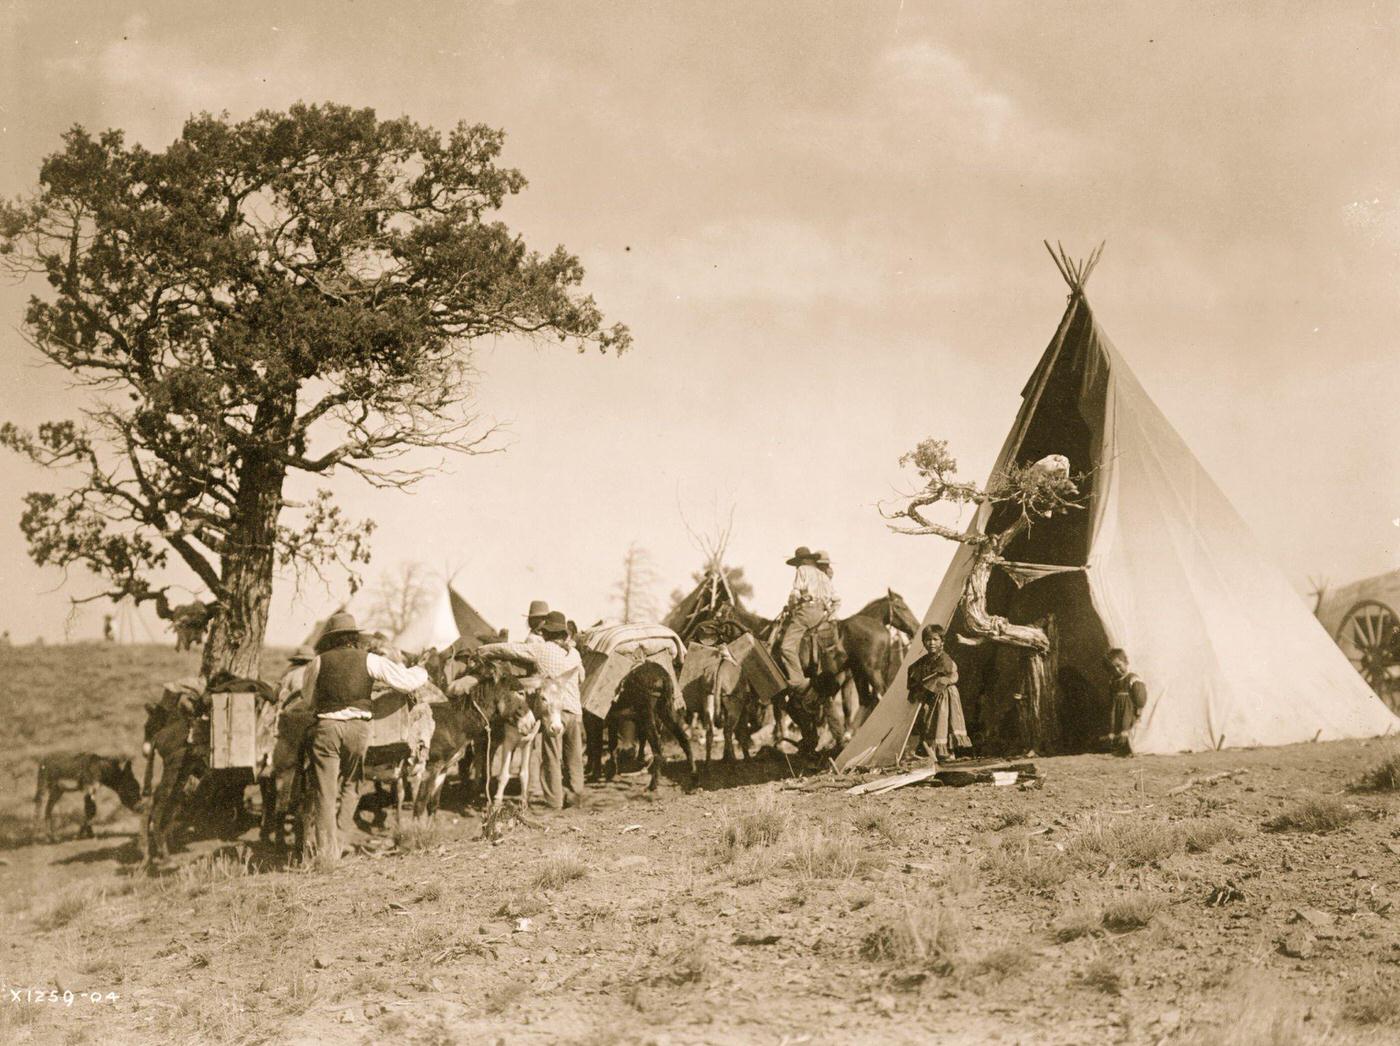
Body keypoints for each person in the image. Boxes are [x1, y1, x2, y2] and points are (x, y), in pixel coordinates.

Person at [299, 611, 428, 861]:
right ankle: (340, 839)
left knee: (325, 791)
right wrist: (421, 671)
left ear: (330, 639)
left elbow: (307, 699)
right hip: (358, 729)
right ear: (353, 637)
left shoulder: (317, 662)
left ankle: (327, 852)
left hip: (326, 728)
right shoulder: (369, 660)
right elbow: (405, 682)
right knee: (353, 784)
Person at [477, 611, 586, 810]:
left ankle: (554, 802)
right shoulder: (575, 654)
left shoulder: (542, 650)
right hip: (575, 711)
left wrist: (484, 650)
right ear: (564, 634)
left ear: (546, 633)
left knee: (552, 756)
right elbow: (582, 678)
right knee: (574, 756)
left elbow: (511, 650)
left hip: (554, 711)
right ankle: (576, 796)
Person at [777, 546, 839, 690]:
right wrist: (829, 613)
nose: (796, 567)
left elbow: (795, 595)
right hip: (821, 614)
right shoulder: (823, 575)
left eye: (797, 563)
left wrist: (790, 606)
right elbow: (837, 600)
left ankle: (798, 681)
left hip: (806, 612)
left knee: (786, 647)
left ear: (803, 561)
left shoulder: (802, 570)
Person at [906, 624, 970, 760]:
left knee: (943, 723)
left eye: (935, 639)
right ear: (923, 642)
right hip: (931, 696)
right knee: (930, 724)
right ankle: (934, 754)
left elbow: (939, 679)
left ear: (942, 642)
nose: (931, 643)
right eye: (928, 640)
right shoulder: (922, 662)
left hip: (944, 696)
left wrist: (923, 693)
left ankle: (947, 755)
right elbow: (913, 672)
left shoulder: (945, 660)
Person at [1105, 648, 1148, 753]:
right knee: (1115, 723)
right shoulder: (1113, 681)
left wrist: (1139, 706)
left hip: (1127, 707)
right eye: (1113, 668)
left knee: (1126, 724)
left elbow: (1139, 692)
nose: (1116, 670)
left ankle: (1127, 746)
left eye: (1119, 666)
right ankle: (1117, 745)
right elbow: (1111, 694)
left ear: (1126, 662)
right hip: (1116, 707)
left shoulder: (1131, 678)